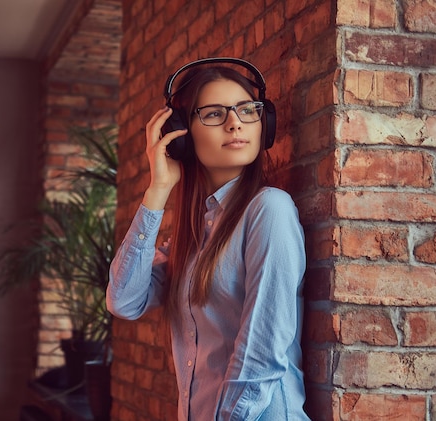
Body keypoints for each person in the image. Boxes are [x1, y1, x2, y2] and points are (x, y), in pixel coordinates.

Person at [106, 58, 310, 420]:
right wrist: (159, 188)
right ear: (181, 135)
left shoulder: (270, 210)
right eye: (214, 114)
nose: (235, 123)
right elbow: (124, 300)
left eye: (247, 110)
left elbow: (261, 354)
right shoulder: (194, 236)